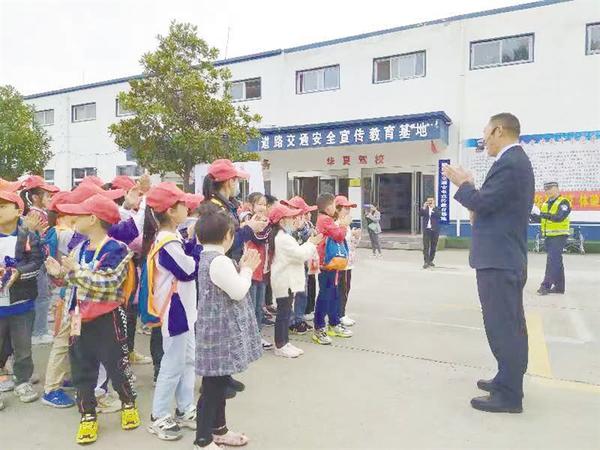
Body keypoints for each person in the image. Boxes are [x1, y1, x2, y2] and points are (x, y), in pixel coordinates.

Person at [443, 112, 533, 414]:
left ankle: (509, 395)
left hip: (500, 259)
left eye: (486, 132)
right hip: (503, 257)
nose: (484, 139)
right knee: (509, 325)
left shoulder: (511, 163)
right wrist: (473, 193)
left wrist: (464, 184)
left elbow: (482, 202)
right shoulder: (513, 162)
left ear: (498, 131)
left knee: (503, 327)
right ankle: (506, 379)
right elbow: (491, 206)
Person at [45, 194, 140, 444]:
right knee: (81, 369)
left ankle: (128, 402)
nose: (72, 218)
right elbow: (74, 281)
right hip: (78, 318)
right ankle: (87, 414)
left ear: (93, 219)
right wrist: (59, 274)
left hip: (108, 319)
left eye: (78, 214)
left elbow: (108, 284)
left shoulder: (118, 250)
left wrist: (75, 272)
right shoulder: (79, 248)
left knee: (117, 366)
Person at [193, 204, 262, 449]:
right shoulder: (219, 261)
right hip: (219, 334)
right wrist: (248, 270)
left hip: (214, 332)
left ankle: (218, 430)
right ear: (228, 236)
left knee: (217, 385)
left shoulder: (209, 257)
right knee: (212, 390)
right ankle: (203, 440)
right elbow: (238, 290)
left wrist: (242, 268)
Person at [202, 159, 267, 397]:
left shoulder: (224, 205)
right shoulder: (215, 207)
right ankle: (214, 381)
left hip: (228, 265)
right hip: (220, 269)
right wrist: (248, 230)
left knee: (227, 328)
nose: (238, 184)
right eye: (236, 180)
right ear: (229, 182)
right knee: (218, 329)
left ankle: (225, 376)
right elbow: (224, 240)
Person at [143, 182, 199, 441]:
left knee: (187, 360)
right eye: (183, 204)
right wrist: (198, 246)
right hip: (175, 312)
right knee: (173, 364)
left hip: (184, 310)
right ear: (171, 210)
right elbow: (188, 270)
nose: (188, 208)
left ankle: (185, 408)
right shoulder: (167, 242)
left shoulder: (173, 237)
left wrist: (190, 241)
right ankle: (159, 414)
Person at [0, 190, 44, 409]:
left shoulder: (27, 236)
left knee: (23, 347)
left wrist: (17, 273)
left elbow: (36, 262)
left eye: (3, 206)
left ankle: (23, 381)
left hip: (21, 303)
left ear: (18, 211)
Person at [269, 203, 322, 358]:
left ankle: (284, 342)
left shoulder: (283, 236)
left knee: (285, 313)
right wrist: (311, 243)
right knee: (283, 314)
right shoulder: (283, 238)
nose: (293, 220)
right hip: (285, 280)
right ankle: (280, 344)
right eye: (290, 217)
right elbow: (300, 254)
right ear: (281, 221)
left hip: (286, 280)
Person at [20, 175, 59, 346]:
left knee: (44, 295)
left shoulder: (39, 213)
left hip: (41, 260)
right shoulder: (35, 215)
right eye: (47, 196)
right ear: (36, 197)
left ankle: (40, 328)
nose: (50, 199)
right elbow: (33, 241)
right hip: (38, 261)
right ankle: (39, 331)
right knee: (41, 296)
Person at [312, 193, 353, 345]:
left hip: (331, 263)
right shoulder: (325, 220)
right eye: (335, 206)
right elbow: (339, 236)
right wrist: (343, 225)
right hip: (326, 263)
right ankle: (319, 328)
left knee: (333, 293)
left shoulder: (326, 219)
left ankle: (334, 323)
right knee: (325, 295)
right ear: (329, 207)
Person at [244, 192, 275, 349]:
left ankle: (256, 336)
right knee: (251, 305)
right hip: (251, 268)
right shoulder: (249, 220)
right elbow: (259, 237)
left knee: (259, 306)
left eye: (264, 204)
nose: (263, 207)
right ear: (251, 206)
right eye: (259, 204)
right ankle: (249, 337)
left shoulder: (265, 221)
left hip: (262, 268)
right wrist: (268, 226)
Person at [530, 182, 571, 295]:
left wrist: (543, 215)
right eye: (545, 189)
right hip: (549, 236)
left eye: (549, 188)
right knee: (557, 261)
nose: (547, 191)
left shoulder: (563, 202)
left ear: (557, 188)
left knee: (552, 261)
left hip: (559, 236)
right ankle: (559, 287)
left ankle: (545, 286)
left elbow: (559, 217)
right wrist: (531, 216)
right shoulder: (545, 203)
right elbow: (542, 219)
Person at [335, 196, 360, 327]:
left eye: (349, 208)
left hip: (348, 262)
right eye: (345, 208)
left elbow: (351, 245)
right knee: (342, 288)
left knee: (346, 287)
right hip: (341, 263)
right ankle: (340, 314)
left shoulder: (347, 224)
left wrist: (356, 237)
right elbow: (338, 240)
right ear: (337, 209)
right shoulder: (336, 224)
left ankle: (341, 313)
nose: (348, 210)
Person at [419, 197, 442, 269]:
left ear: (434, 201)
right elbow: (420, 214)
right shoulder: (425, 209)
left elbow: (439, 215)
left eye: (431, 200)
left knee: (433, 246)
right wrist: (423, 207)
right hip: (427, 229)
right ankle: (426, 261)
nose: (430, 202)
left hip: (435, 230)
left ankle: (431, 260)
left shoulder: (437, 208)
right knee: (426, 246)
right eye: (428, 201)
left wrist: (433, 208)